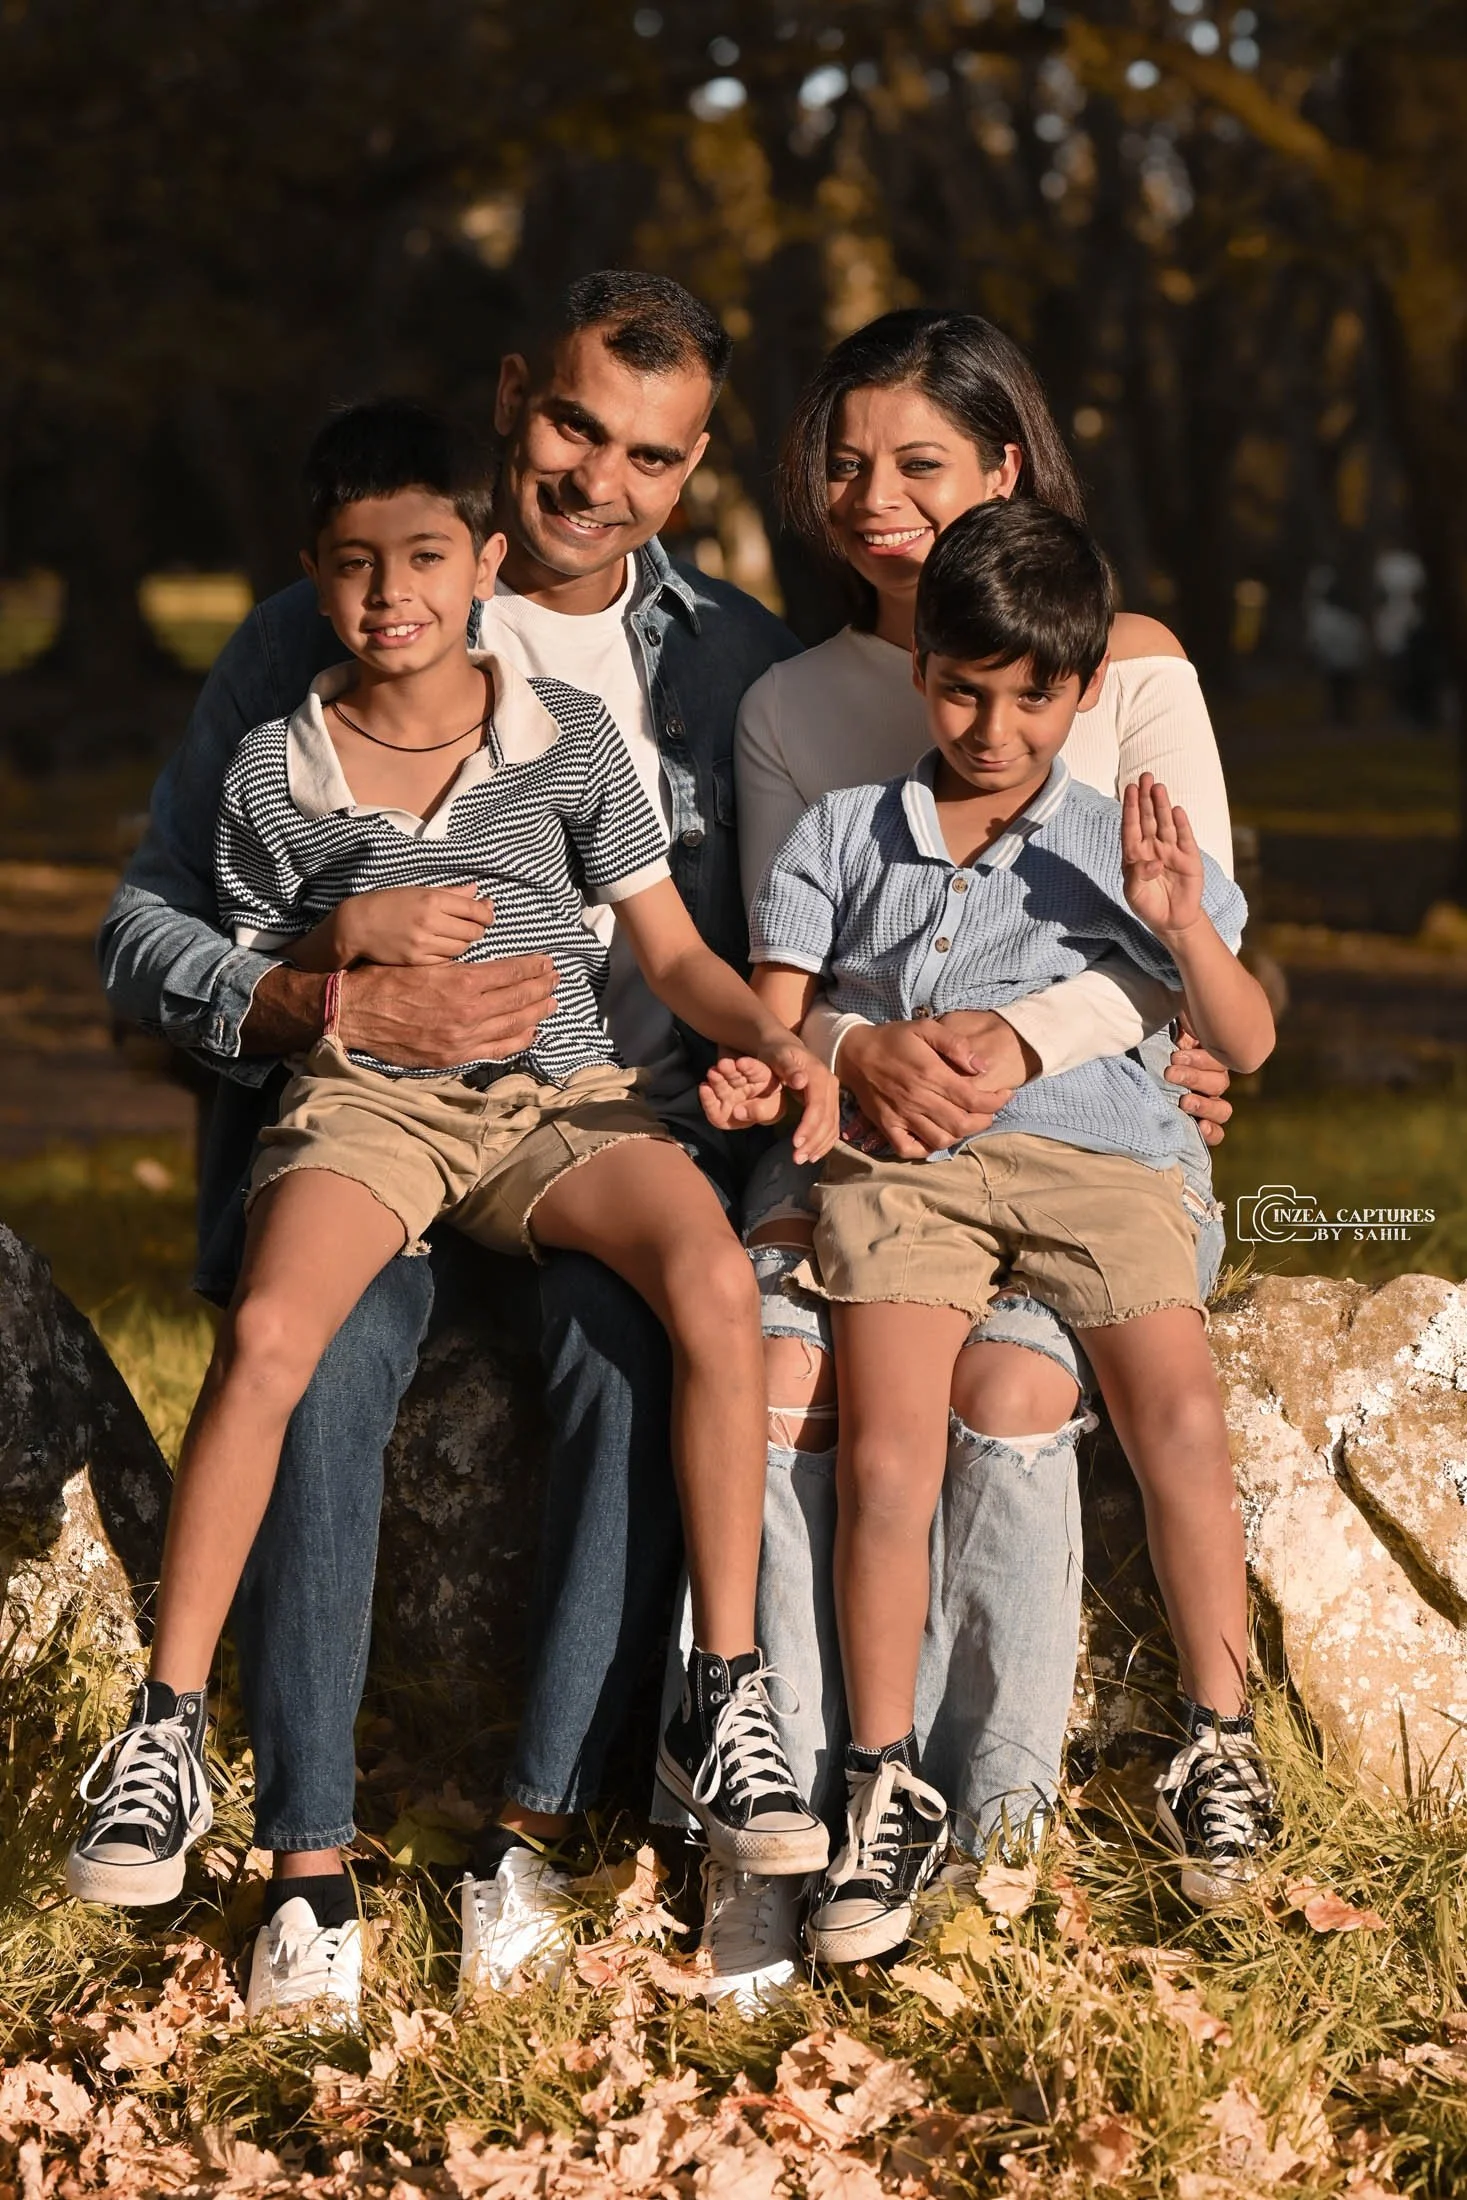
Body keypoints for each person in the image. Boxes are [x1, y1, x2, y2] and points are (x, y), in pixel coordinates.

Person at [94, 272, 804, 2020]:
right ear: (512, 408)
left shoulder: (724, 666)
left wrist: (814, 1058)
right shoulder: (296, 668)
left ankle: (538, 1836)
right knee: (311, 1359)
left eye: (646, 453)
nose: (595, 479)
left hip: (598, 1134)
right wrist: (323, 995)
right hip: (366, 1128)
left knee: (639, 1352)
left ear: (692, 465)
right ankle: (298, 1865)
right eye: (571, 426)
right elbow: (156, 935)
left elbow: (739, 943)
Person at [687, 309, 1240, 2001]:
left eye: (918, 461)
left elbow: (1186, 962)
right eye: (842, 461)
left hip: (1083, 1137)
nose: (873, 495)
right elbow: (797, 987)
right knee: (799, 1386)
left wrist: (1019, 1047)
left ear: (1004, 469)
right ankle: (793, 1819)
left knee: (1020, 1401)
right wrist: (851, 1060)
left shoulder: (1119, 656)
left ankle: (1002, 1820)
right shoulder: (800, 713)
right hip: (873, 1144)